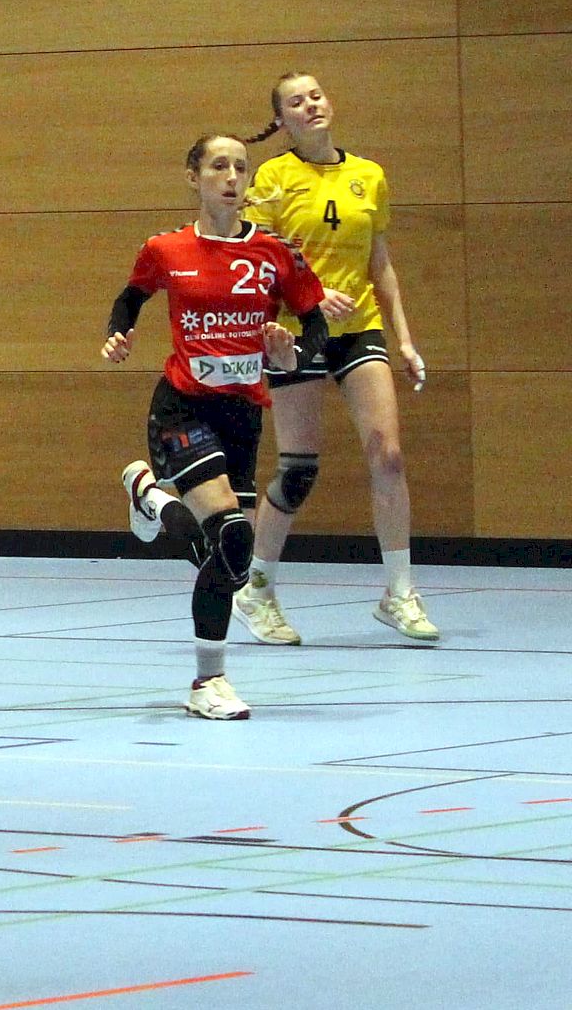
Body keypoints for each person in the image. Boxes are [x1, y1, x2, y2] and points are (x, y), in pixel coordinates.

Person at [107, 136, 346, 721]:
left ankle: (150, 498)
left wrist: (290, 356)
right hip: (182, 407)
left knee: (229, 554)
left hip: (242, 415)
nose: (232, 176)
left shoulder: (274, 252)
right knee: (234, 535)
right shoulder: (166, 248)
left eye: (241, 167)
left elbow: (313, 326)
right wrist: (120, 332)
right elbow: (131, 297)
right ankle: (207, 683)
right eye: (219, 166)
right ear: (194, 177)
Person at [231, 73, 436, 642]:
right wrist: (309, 296)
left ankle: (399, 592)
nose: (310, 105)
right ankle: (257, 589)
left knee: (388, 455)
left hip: (358, 329)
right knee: (299, 470)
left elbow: (381, 264)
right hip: (294, 332)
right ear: (283, 119)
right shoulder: (272, 179)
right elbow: (255, 264)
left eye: (316, 95)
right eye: (296, 102)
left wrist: (405, 338)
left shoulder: (367, 175)